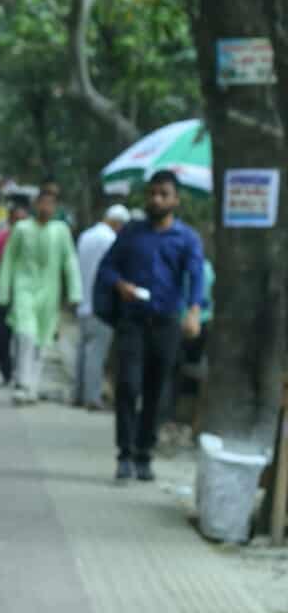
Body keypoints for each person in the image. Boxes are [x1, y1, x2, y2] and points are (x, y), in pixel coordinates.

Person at [94, 169, 206, 482]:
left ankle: (145, 452)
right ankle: (125, 454)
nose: (156, 199)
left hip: (166, 323)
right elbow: (107, 268)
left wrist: (194, 311)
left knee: (158, 391)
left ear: (175, 200)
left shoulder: (186, 238)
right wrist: (120, 285)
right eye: (152, 193)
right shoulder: (131, 232)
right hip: (132, 321)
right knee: (128, 386)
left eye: (163, 194)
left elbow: (196, 277)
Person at [0, 184, 81, 405]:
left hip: (49, 293)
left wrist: (74, 291)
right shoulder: (21, 228)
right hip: (24, 289)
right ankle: (21, 382)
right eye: (43, 202)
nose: (46, 207)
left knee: (42, 339)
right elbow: (9, 261)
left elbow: (69, 261)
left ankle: (32, 385)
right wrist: (3, 292)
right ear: (36, 205)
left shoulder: (61, 231)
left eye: (51, 203)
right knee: (25, 334)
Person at [73, 203, 127, 410]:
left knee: (83, 351)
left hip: (83, 301)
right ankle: (92, 397)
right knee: (96, 353)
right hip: (100, 305)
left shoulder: (86, 236)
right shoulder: (111, 240)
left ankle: (77, 393)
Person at [0, 200, 27, 385]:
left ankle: (21, 374)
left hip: (25, 295)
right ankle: (6, 372)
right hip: (2, 294)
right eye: (15, 219)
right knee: (2, 337)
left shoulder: (32, 240)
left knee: (24, 337)